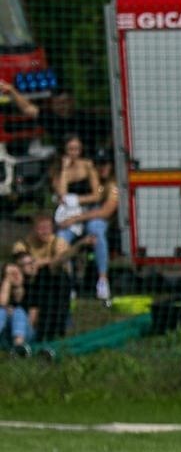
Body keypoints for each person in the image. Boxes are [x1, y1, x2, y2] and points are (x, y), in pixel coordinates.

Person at [50, 135, 110, 303]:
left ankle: (103, 280)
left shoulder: (88, 166)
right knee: (62, 240)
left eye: (77, 149)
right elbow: (61, 194)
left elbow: (97, 194)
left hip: (88, 211)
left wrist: (77, 199)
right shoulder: (58, 170)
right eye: (70, 149)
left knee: (96, 231)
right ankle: (69, 285)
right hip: (68, 216)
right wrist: (64, 169)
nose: (74, 153)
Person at [11, 213, 73, 342]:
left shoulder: (58, 242)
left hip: (53, 286)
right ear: (33, 229)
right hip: (28, 286)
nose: (45, 232)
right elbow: (19, 261)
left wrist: (38, 263)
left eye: (48, 228)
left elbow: (60, 260)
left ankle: (54, 329)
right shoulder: (22, 244)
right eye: (41, 228)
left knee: (54, 276)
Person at [2, 257, 33, 355]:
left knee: (18, 311)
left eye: (16, 272)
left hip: (26, 333)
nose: (15, 276)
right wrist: (7, 282)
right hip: (5, 335)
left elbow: (32, 321)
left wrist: (14, 316)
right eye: (10, 274)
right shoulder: (4, 291)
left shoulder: (31, 290)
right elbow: (2, 303)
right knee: (1, 311)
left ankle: (18, 349)